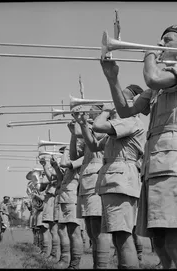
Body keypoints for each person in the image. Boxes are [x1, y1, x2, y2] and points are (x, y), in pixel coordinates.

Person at [101, 25, 177, 269]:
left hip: (173, 162)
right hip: (155, 163)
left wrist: (149, 54)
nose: (160, 43)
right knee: (159, 241)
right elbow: (126, 110)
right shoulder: (160, 83)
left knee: (176, 241)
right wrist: (112, 78)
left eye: (167, 40)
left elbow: (153, 77)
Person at [73, 84, 146, 269]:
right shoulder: (120, 125)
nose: (117, 101)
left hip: (121, 181)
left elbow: (98, 125)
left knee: (123, 238)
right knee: (117, 236)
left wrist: (106, 111)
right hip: (114, 181)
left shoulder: (130, 121)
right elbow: (94, 146)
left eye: (123, 98)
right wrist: (82, 124)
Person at [72, 107, 111, 269]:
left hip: (97, 182)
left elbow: (95, 138)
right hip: (86, 183)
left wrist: (82, 125)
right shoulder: (89, 129)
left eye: (93, 110)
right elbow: (74, 157)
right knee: (91, 232)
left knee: (99, 230)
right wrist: (73, 134)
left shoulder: (104, 127)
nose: (89, 112)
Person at [54, 128, 85, 269]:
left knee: (74, 232)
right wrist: (53, 166)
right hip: (65, 198)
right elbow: (61, 178)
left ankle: (74, 264)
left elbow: (64, 162)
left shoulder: (81, 158)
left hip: (72, 198)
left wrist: (67, 148)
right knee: (62, 230)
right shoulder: (74, 159)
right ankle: (65, 259)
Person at [38, 156, 61, 260]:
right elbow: (48, 179)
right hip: (50, 199)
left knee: (53, 230)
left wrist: (46, 166)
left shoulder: (59, 168)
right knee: (52, 229)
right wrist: (45, 166)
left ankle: (54, 254)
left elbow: (50, 177)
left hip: (52, 199)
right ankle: (52, 253)